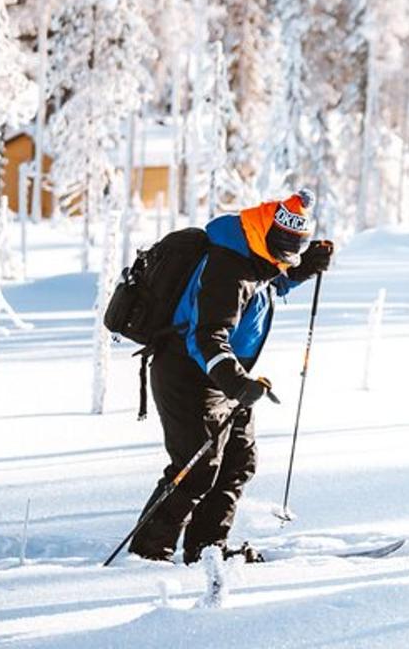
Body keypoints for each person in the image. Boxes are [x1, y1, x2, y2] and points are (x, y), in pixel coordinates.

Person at [128, 189, 333, 564]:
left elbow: (269, 282)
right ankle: (147, 553)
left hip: (223, 376)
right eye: (284, 251)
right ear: (267, 232)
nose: (286, 259)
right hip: (188, 373)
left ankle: (207, 550)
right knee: (195, 469)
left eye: (295, 251)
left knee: (238, 462)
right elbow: (207, 336)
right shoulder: (229, 266)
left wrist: (304, 269)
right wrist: (237, 383)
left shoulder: (255, 251)